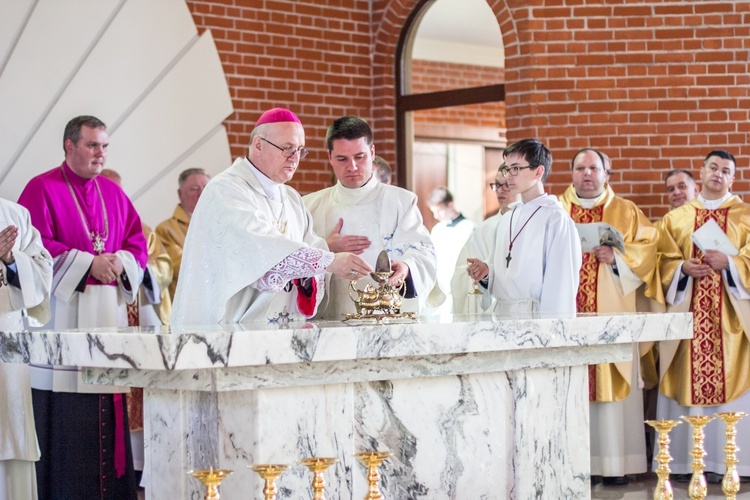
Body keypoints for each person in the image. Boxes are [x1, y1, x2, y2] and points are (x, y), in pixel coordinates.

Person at [17, 115, 147, 499]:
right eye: (92, 145)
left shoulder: (114, 193)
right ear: (69, 146)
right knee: (66, 417)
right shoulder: (40, 189)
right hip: (63, 318)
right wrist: (87, 262)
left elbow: (137, 242)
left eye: (104, 146)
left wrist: (120, 261)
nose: (100, 154)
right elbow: (33, 250)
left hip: (106, 314)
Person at [171, 108, 371, 325]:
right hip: (231, 329)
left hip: (285, 331)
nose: (295, 159)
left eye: (300, 150)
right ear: (258, 145)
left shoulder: (291, 198)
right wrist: (329, 261)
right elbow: (260, 248)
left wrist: (319, 267)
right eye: (287, 149)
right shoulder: (226, 190)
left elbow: (313, 252)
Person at [559, 148, 662, 484]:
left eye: (593, 168)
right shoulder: (556, 211)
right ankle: (575, 464)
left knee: (614, 389)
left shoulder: (627, 211)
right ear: (571, 174)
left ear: (607, 174)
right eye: (580, 168)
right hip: (567, 320)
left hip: (613, 317)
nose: (586, 174)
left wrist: (617, 258)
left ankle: (616, 466)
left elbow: (649, 251)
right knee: (571, 389)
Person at [656, 150, 750, 480]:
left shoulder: (746, 216)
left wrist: (733, 266)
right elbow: (661, 262)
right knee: (685, 377)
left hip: (731, 320)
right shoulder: (676, 218)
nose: (719, 174)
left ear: (732, 178)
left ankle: (733, 464)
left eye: (726, 170)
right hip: (689, 317)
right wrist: (681, 268)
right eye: (713, 167)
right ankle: (683, 462)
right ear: (702, 171)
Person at [302, 116, 436, 320]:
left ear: (372, 153)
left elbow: (423, 252)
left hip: (389, 319)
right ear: (330, 157)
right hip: (329, 320)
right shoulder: (309, 206)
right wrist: (325, 248)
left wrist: (407, 268)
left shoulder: (401, 201)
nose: (352, 167)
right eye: (342, 159)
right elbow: (289, 262)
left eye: (359, 157)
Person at [465, 138, 581, 316]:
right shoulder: (508, 218)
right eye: (507, 168)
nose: (508, 175)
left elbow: (561, 284)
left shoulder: (556, 219)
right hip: (502, 316)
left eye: (516, 168)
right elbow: (506, 272)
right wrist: (487, 272)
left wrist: (553, 333)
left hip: (536, 317)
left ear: (538, 172)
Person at [0, 199, 53, 500]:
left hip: (8, 343)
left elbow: (44, 272)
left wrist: (11, 261)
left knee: (12, 429)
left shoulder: (15, 214)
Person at [451, 165, 521, 314]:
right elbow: (460, 272)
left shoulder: (528, 226)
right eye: (497, 185)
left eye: (506, 185)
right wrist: (477, 274)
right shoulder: (484, 229)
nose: (500, 190)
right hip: (489, 312)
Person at [155, 168, 210, 301]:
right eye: (194, 189)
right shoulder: (166, 230)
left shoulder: (225, 224)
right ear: (180, 194)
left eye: (206, 188)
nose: (202, 193)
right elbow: (183, 268)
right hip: (189, 303)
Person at [425, 187, 475, 315]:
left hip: (461, 282)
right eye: (433, 212)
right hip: (442, 283)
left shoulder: (469, 227)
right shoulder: (437, 229)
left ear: (450, 205)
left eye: (439, 210)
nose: (436, 216)